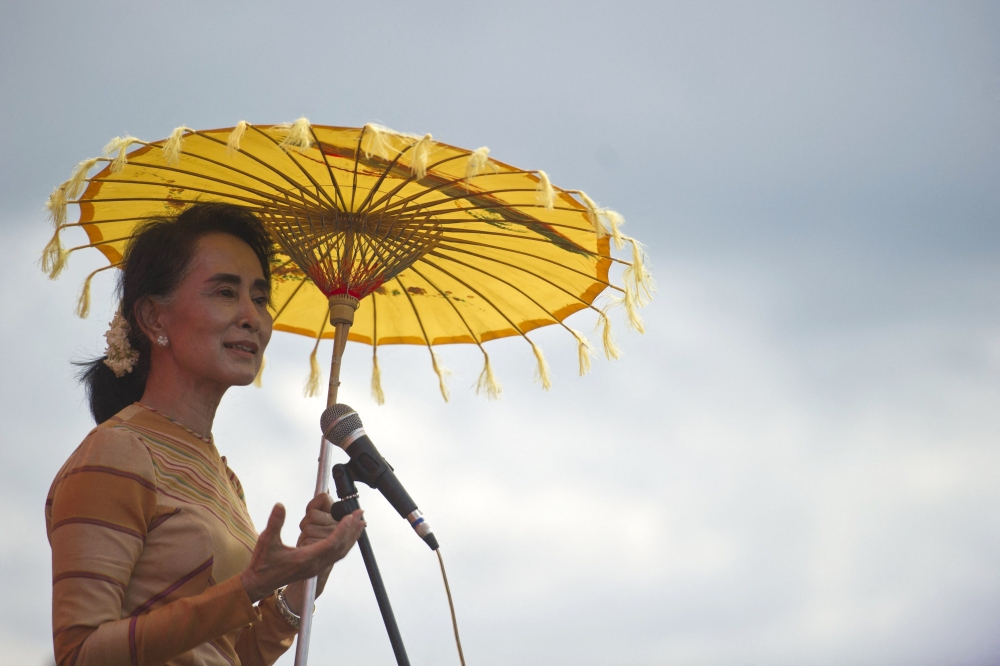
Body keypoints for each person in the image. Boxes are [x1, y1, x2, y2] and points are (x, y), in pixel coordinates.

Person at [45, 202, 364, 666]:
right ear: (154, 318)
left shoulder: (222, 476)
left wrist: (306, 576)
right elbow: (80, 654)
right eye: (224, 292)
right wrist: (250, 585)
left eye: (259, 297)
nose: (252, 316)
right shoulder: (118, 452)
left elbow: (231, 657)